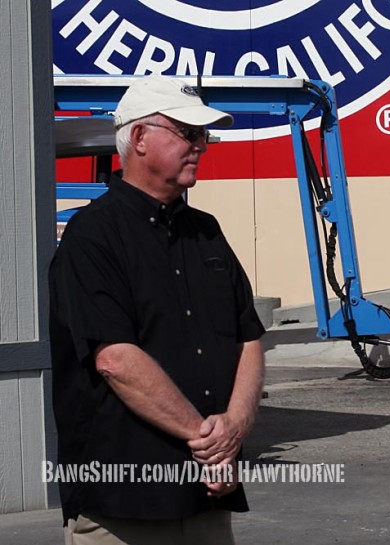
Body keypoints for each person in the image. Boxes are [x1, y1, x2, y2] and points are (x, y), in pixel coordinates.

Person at [49, 75, 265, 545]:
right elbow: (115, 360)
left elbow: (248, 336)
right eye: (188, 132)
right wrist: (210, 443)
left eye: (203, 135)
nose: (201, 146)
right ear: (140, 138)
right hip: (125, 507)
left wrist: (235, 427)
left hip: (205, 496)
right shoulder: (93, 236)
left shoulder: (205, 232)